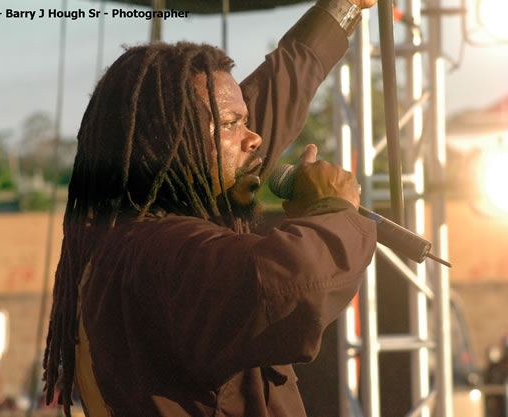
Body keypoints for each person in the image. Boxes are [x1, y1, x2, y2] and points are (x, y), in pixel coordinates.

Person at [42, 0, 378, 415]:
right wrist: (331, 207)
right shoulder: (165, 253)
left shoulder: (129, 237)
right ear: (174, 143)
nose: (253, 138)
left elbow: (261, 102)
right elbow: (296, 278)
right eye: (234, 125)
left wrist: (339, 12)